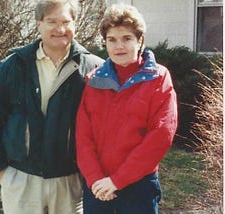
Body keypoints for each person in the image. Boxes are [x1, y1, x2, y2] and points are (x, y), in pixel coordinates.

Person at [0, 0, 104, 213]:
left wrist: (90, 175)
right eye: (51, 21)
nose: (60, 29)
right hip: (21, 180)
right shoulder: (11, 67)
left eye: (66, 21)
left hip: (70, 182)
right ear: (38, 24)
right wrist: (1, 171)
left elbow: (105, 129)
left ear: (75, 24)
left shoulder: (95, 70)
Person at [75, 3, 178, 214]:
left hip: (138, 187)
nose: (118, 46)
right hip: (98, 187)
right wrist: (95, 178)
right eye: (111, 40)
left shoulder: (158, 78)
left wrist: (117, 180)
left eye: (127, 38)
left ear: (140, 41)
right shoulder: (93, 80)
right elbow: (82, 136)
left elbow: (161, 136)